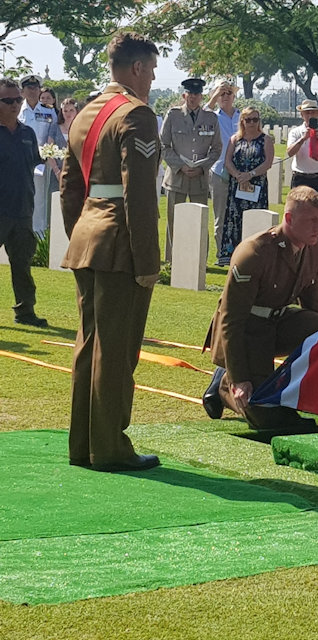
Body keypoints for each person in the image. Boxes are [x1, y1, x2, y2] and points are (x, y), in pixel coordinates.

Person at [59, 32, 162, 471]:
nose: (154, 79)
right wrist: (148, 261)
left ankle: (83, 444)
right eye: (152, 70)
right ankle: (111, 446)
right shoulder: (137, 115)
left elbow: (69, 186)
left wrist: (80, 233)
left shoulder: (86, 113)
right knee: (117, 350)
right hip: (119, 242)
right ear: (137, 68)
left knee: (89, 346)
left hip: (88, 237)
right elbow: (139, 194)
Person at [203, 186, 318, 429]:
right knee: (265, 417)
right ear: (289, 219)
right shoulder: (255, 252)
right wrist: (240, 380)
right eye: (311, 220)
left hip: (278, 322)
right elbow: (233, 320)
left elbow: (313, 301)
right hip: (248, 329)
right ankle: (226, 385)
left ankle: (286, 387)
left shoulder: (314, 247)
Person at [0, 77, 46, 327]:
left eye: (17, 100)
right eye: (8, 100)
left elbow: (33, 164)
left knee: (23, 264)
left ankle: (25, 312)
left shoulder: (27, 133)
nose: (14, 105)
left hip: (22, 209)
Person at [160, 77, 222, 262]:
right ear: (184, 95)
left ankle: (199, 260)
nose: (193, 98)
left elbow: (217, 148)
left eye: (196, 94)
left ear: (201, 96)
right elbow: (163, 145)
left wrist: (202, 168)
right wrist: (180, 166)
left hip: (199, 178)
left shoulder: (210, 118)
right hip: (177, 177)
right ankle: (172, 261)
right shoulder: (173, 115)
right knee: (173, 221)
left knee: (200, 221)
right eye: (190, 94)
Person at [218, 106, 273, 266]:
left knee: (255, 219)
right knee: (234, 221)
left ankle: (255, 256)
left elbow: (267, 163)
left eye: (255, 119)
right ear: (242, 121)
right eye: (248, 119)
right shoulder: (235, 139)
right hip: (237, 187)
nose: (251, 123)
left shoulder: (265, 140)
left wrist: (250, 174)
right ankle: (232, 256)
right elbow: (227, 161)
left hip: (257, 187)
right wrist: (238, 175)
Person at [18, 74, 58, 233]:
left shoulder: (49, 112)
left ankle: (40, 234)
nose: (33, 91)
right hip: (20, 162)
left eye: (35, 88)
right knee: (21, 198)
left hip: (41, 162)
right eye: (29, 88)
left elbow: (53, 134)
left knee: (40, 199)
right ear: (23, 91)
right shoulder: (18, 110)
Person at [205, 80, 241, 255]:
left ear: (234, 96)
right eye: (222, 93)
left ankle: (237, 250)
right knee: (221, 214)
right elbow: (200, 115)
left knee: (239, 213)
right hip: (220, 171)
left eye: (229, 93)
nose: (225, 96)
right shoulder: (212, 116)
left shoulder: (242, 117)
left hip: (241, 172)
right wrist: (213, 97)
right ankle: (221, 252)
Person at [287, 99, 318, 215]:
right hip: (301, 178)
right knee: (297, 215)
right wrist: (303, 139)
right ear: (302, 115)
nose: (310, 115)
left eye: (313, 112)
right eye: (307, 112)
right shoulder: (295, 132)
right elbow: (290, 153)